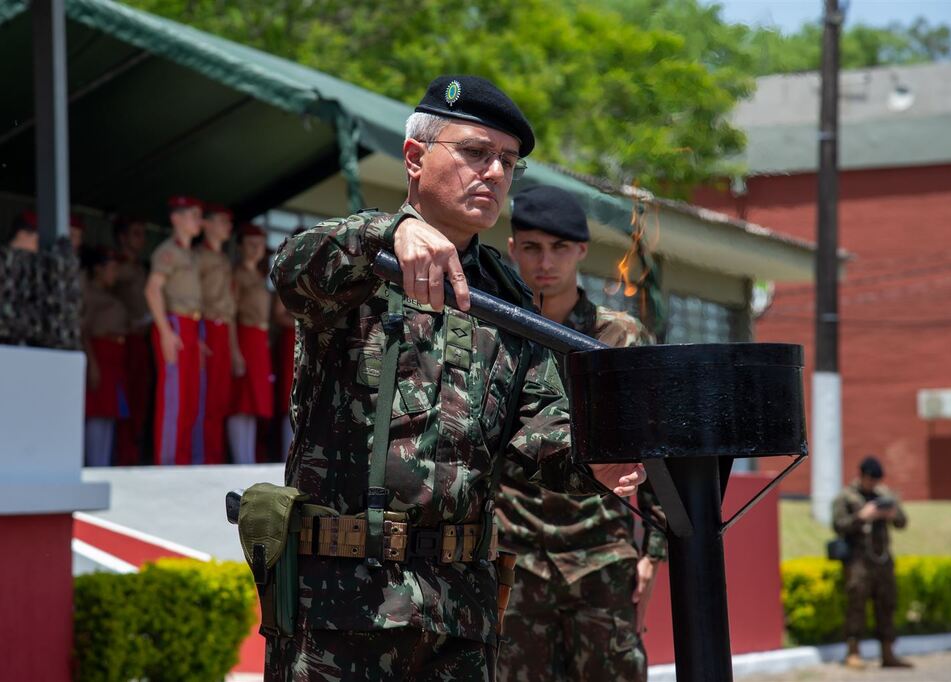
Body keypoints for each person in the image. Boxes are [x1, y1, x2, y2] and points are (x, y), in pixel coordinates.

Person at [268, 75, 646, 681]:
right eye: (475, 152)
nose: (494, 173)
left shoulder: (507, 296)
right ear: (415, 158)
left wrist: (596, 459)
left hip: (459, 615)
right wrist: (386, 231)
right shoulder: (361, 261)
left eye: (508, 162)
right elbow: (291, 267)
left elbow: (538, 433)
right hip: (343, 608)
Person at [497, 185, 666, 682]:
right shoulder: (493, 330)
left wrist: (653, 555)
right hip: (513, 559)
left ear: (581, 251)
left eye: (559, 248)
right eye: (532, 247)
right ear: (513, 249)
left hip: (601, 559)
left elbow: (657, 447)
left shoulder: (620, 338)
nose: (545, 262)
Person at [832, 455, 911, 669]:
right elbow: (838, 525)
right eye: (870, 479)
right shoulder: (846, 497)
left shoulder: (883, 495)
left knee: (887, 604)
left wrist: (892, 514)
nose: (873, 483)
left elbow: (902, 522)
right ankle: (853, 652)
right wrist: (862, 516)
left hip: (882, 559)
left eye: (877, 480)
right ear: (862, 476)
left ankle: (888, 653)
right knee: (856, 604)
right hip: (858, 560)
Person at [144, 196, 203, 466]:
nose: (198, 221)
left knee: (189, 399)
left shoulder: (190, 253)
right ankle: (167, 462)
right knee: (174, 400)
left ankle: (182, 462)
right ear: (176, 218)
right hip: (175, 324)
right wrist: (166, 332)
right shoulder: (168, 251)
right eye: (192, 215)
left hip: (191, 326)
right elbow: (152, 289)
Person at [195, 204, 242, 465]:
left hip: (224, 330)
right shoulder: (198, 257)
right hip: (207, 327)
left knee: (221, 399)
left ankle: (214, 456)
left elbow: (230, 310)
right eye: (222, 221)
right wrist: (198, 337)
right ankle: (202, 457)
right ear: (207, 224)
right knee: (205, 398)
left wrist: (234, 350)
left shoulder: (224, 260)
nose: (228, 227)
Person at [80, 247, 129, 467]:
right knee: (97, 411)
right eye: (111, 268)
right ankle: (95, 464)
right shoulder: (89, 294)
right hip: (99, 353)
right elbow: (84, 331)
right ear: (98, 269)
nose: (115, 273)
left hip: (114, 355)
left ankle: (104, 463)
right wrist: (92, 364)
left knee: (110, 412)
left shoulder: (112, 294)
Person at [229, 223, 273, 464]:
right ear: (240, 247)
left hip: (259, 340)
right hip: (244, 336)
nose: (256, 249)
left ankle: (248, 458)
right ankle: (240, 459)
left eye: (260, 245)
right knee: (241, 400)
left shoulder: (259, 275)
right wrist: (235, 351)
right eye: (251, 244)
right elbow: (230, 316)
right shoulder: (237, 275)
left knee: (254, 401)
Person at [113, 217, 152, 465]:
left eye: (142, 234)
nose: (141, 239)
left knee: (141, 398)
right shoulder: (115, 266)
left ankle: (135, 452)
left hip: (143, 340)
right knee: (123, 400)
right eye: (136, 233)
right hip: (123, 340)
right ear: (122, 237)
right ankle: (123, 455)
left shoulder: (141, 267)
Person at [272, 228, 304, 461]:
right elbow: (278, 314)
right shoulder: (287, 275)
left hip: (311, 338)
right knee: (290, 394)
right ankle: (287, 452)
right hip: (291, 340)